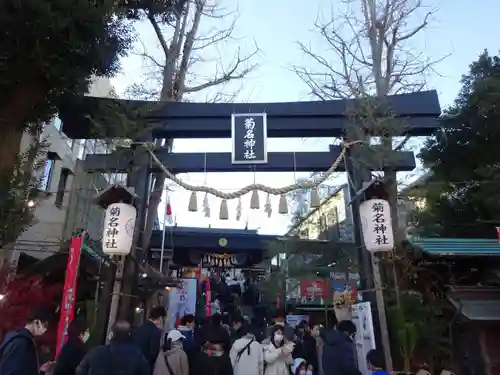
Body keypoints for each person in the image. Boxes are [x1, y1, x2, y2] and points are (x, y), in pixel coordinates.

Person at [76, 320, 149, 375]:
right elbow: (146, 371)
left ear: (111, 334)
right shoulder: (137, 355)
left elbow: (80, 370)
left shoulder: (96, 352)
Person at [0, 308, 53, 375]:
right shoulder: (21, 342)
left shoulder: (20, 338)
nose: (45, 329)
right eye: (45, 325)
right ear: (37, 322)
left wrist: (41, 371)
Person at [132, 306, 167, 374]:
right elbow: (154, 354)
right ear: (160, 318)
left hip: (134, 366)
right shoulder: (155, 331)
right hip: (146, 368)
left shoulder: (140, 328)